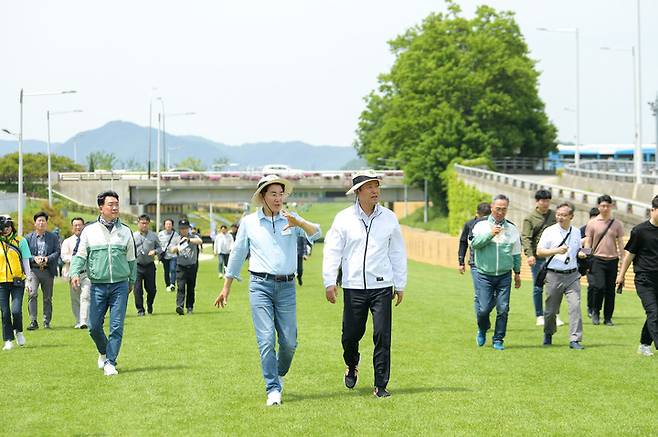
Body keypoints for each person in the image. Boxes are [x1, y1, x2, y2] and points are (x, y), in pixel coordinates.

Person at [214, 175, 321, 406]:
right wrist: (226, 287)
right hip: (259, 286)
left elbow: (317, 233)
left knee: (290, 342)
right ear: (262, 197)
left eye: (281, 194)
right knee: (265, 340)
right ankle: (273, 388)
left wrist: (299, 224)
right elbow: (237, 254)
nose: (278, 198)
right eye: (273, 194)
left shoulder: (291, 219)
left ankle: (279, 373)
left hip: (287, 288)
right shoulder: (249, 222)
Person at [323, 170, 407, 399]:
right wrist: (330, 280)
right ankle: (351, 364)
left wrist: (400, 284)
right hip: (353, 287)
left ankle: (381, 385)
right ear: (358, 192)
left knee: (382, 335)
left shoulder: (389, 218)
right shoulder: (343, 218)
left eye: (376, 186)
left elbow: (397, 252)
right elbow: (332, 250)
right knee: (350, 336)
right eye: (369, 187)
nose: (375, 191)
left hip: (382, 286)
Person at [69, 190, 136, 376]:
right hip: (97, 285)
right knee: (94, 326)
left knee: (116, 326)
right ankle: (104, 351)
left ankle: (110, 362)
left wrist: (132, 280)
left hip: (120, 286)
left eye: (117, 204)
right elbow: (80, 255)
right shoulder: (89, 231)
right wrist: (74, 272)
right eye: (110, 204)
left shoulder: (125, 231)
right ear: (101, 208)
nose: (115, 208)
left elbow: (132, 260)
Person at [471, 194, 522, 350]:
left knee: (503, 308)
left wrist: (517, 273)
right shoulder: (480, 226)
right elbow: (475, 244)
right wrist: (490, 234)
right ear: (492, 207)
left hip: (504, 276)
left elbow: (516, 253)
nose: (500, 212)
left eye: (504, 209)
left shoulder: (512, 229)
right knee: (483, 308)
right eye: (498, 208)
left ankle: (498, 339)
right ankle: (482, 328)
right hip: (484, 274)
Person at [536, 202, 585, 349]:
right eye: (558, 214)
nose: (560, 217)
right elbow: (539, 251)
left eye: (564, 215)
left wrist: (582, 254)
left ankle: (574, 339)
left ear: (571, 216)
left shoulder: (576, 232)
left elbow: (578, 250)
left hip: (572, 275)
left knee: (575, 306)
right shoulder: (549, 231)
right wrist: (556, 251)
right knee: (551, 310)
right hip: (553, 275)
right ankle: (548, 333)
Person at [616, 195, 658, 357]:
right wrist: (621, 275)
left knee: (655, 313)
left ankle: (644, 344)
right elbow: (630, 255)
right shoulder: (639, 231)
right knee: (654, 312)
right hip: (644, 279)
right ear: (652, 210)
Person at [584, 195, 625, 326]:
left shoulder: (617, 224)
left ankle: (608, 317)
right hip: (597, 259)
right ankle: (595, 311)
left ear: (611, 206)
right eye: (603, 206)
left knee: (610, 290)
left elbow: (620, 243)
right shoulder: (592, 223)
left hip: (612, 260)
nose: (605, 208)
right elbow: (588, 241)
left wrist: (623, 259)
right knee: (599, 287)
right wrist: (586, 256)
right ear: (598, 206)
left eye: (608, 205)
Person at [521, 189, 560, 327]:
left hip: (554, 257)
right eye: (543, 200)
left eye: (548, 200)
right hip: (537, 258)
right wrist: (529, 255)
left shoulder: (555, 215)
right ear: (537, 201)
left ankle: (555, 314)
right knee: (538, 287)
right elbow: (525, 238)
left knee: (555, 287)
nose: (545, 203)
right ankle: (539, 315)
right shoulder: (529, 218)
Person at [0, 215, 32, 350]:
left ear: (11, 226)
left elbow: (26, 262)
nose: (6, 229)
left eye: (7, 226)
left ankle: (18, 331)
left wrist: (29, 280)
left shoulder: (21, 241)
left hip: (18, 281)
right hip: (1, 282)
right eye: (3, 227)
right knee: (5, 312)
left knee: (16, 310)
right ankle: (8, 339)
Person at [25, 211, 61, 330]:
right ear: (35, 223)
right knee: (32, 294)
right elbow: (25, 254)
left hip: (47, 270)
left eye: (43, 221)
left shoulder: (53, 237)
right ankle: (33, 321)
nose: (41, 223)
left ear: (46, 223)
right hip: (33, 270)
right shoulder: (28, 238)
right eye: (39, 221)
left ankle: (46, 321)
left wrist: (47, 258)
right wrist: (34, 258)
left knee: (47, 297)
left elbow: (57, 252)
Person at [458, 202, 491, 316]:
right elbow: (463, 243)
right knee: (479, 293)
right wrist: (461, 261)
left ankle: (484, 315)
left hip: (491, 263)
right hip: (475, 263)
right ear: (477, 213)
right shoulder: (470, 225)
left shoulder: (493, 224)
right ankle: (481, 322)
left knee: (494, 295)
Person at [60, 217, 91, 329]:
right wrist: (77, 258)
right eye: (75, 225)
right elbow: (64, 256)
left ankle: (84, 321)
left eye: (80, 225)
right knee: (75, 298)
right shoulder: (67, 241)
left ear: (83, 226)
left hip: (86, 274)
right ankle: (78, 320)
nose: (78, 227)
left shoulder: (88, 240)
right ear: (72, 227)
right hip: (73, 273)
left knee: (85, 296)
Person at [133, 214, 162, 316]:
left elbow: (160, 248)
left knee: (151, 289)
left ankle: (150, 304)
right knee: (137, 289)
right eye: (142, 223)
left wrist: (155, 251)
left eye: (146, 223)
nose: (144, 225)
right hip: (137, 266)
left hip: (149, 265)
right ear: (138, 223)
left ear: (149, 224)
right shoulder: (133, 236)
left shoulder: (153, 235)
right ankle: (140, 310)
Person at [172, 219, 202, 315]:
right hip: (181, 266)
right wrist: (179, 245)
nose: (184, 230)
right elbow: (172, 249)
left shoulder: (193, 237)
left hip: (192, 266)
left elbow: (200, 241)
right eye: (182, 228)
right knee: (180, 287)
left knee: (191, 287)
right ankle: (179, 306)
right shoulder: (176, 238)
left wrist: (188, 240)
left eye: (185, 228)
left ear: (188, 228)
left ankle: (190, 307)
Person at [580, 207, 600, 318]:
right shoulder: (583, 230)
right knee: (592, 285)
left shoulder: (602, 230)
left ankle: (596, 309)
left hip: (601, 261)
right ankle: (590, 307)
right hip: (588, 262)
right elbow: (578, 246)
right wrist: (587, 253)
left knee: (600, 287)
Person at [158, 219, 180, 293]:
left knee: (173, 269)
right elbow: (158, 245)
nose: (168, 225)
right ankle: (167, 285)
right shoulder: (160, 234)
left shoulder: (176, 234)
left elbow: (179, 244)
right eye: (167, 224)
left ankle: (172, 284)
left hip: (173, 255)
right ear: (164, 225)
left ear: (172, 225)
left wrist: (175, 249)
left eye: (170, 224)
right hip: (165, 256)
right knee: (166, 271)